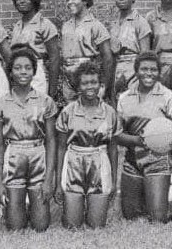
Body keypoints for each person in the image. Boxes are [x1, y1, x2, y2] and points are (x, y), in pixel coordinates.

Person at [0, 48, 57, 231]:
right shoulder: (0, 103)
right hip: (13, 156)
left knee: (41, 226)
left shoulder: (45, 101)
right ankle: (17, 203)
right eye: (18, 68)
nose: (23, 72)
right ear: (10, 72)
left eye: (28, 68)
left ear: (34, 71)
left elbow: (51, 140)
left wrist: (49, 179)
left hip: (38, 156)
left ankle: (35, 203)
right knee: (15, 227)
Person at [115, 51, 172, 222]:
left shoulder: (168, 96)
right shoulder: (124, 97)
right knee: (131, 216)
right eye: (144, 69)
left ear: (159, 72)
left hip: (157, 160)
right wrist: (136, 140)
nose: (149, 73)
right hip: (132, 160)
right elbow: (117, 135)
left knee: (157, 218)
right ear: (136, 71)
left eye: (153, 69)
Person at [55, 62, 119, 229]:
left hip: (99, 162)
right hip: (74, 164)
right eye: (85, 83)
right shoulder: (68, 111)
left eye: (94, 82)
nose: (90, 86)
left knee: (96, 225)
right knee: (72, 225)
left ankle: (94, 203)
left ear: (100, 84)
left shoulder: (109, 112)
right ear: (78, 86)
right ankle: (73, 206)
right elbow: (61, 147)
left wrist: (113, 180)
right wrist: (57, 183)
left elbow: (113, 148)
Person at [61, 0, 114, 103]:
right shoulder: (66, 26)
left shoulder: (96, 25)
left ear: (84, 0)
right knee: (72, 114)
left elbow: (107, 58)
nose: (70, 2)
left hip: (88, 77)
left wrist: (104, 85)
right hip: (69, 81)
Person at [10, 0, 60, 98]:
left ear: (34, 0)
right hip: (18, 75)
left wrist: (51, 92)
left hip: (37, 74)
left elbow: (55, 58)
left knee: (36, 112)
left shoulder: (44, 24)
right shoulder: (17, 26)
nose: (21, 1)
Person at [110, 0, 151, 98]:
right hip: (117, 74)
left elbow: (145, 56)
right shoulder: (113, 24)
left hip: (134, 74)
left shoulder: (140, 22)